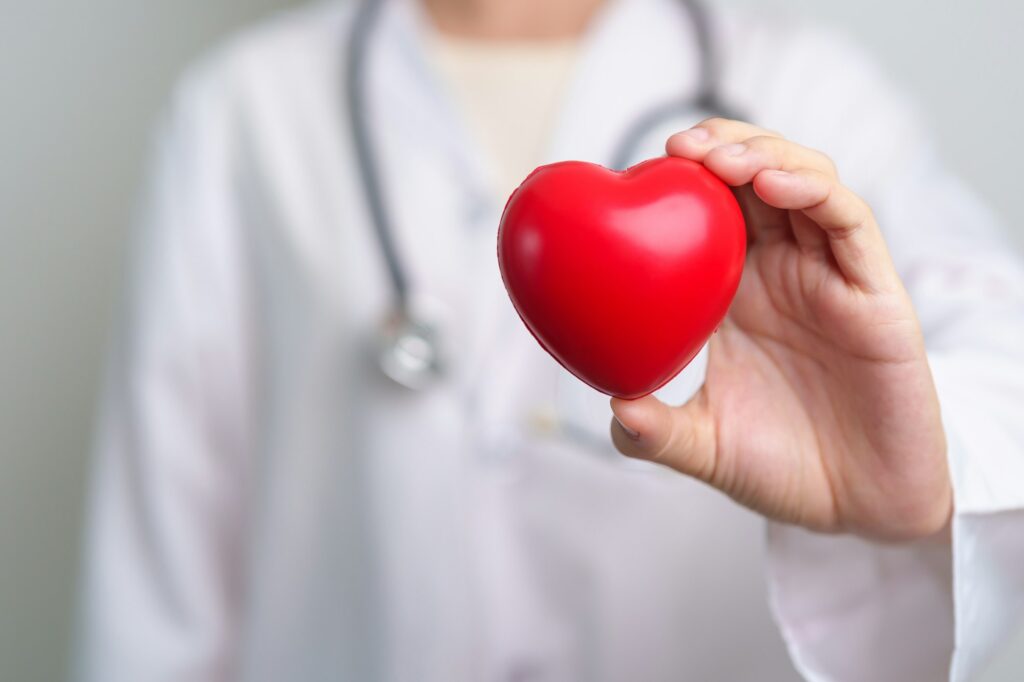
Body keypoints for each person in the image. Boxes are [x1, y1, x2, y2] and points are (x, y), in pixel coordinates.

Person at [73, 0, 1024, 680]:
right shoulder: (243, 111)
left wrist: (931, 461)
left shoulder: (805, 81)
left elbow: (1001, 341)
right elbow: (158, 555)